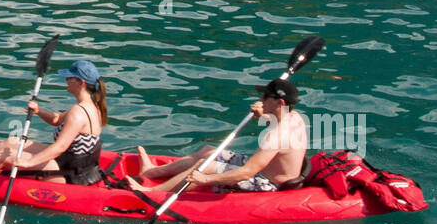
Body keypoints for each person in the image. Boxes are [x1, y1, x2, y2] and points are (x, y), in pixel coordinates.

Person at [0, 60, 108, 185]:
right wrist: (38, 110)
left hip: (70, 174)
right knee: (14, 142)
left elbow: (60, 147)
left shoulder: (78, 113)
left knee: (9, 155)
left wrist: (29, 161)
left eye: (69, 77)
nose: (66, 80)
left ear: (81, 82)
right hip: (71, 163)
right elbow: (57, 120)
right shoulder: (90, 107)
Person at [128, 78, 306, 193]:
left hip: (267, 182)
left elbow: (247, 173)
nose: (261, 99)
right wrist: (264, 114)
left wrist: (205, 179)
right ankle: (151, 172)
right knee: (208, 151)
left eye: (266, 96)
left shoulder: (276, 136)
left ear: (280, 102)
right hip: (264, 170)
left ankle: (153, 192)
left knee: (204, 166)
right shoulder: (294, 117)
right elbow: (277, 122)